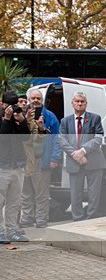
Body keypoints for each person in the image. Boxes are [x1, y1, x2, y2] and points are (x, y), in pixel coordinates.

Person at [59, 91, 105, 221]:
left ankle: (91, 218)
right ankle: (77, 219)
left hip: (94, 161)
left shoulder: (95, 118)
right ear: (72, 103)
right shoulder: (65, 121)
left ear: (86, 104)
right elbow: (62, 140)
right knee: (75, 194)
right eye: (77, 101)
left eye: (82, 101)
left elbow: (98, 138)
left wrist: (83, 151)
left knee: (94, 193)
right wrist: (76, 155)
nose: (79, 103)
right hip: (74, 162)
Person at [19, 88, 61, 228]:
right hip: (24, 160)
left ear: (42, 100)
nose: (36, 101)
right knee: (26, 193)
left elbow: (57, 138)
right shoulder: (22, 115)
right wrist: (26, 120)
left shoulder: (50, 116)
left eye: (38, 98)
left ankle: (41, 219)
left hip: (41, 159)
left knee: (41, 194)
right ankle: (27, 218)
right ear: (29, 100)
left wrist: (54, 158)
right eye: (33, 98)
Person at [0, 91, 31, 243]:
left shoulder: (17, 116)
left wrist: (22, 120)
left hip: (18, 165)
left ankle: (12, 231)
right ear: (2, 104)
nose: (11, 108)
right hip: (2, 166)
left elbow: (26, 137)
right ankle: (0, 232)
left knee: (14, 202)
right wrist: (6, 119)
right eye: (9, 105)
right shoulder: (3, 117)